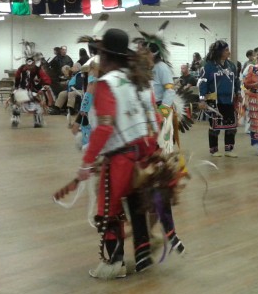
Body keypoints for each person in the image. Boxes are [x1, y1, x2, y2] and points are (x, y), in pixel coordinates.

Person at [76, 28, 184, 279]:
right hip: (145, 153)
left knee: (109, 209)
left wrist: (87, 162)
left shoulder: (106, 84)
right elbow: (156, 118)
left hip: (120, 158)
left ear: (105, 57)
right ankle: (144, 257)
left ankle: (113, 263)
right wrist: (154, 151)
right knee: (137, 203)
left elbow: (104, 127)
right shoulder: (140, 80)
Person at [198, 41, 240, 157]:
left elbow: (236, 80)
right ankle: (214, 150)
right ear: (219, 51)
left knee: (231, 125)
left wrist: (239, 93)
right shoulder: (208, 66)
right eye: (226, 50)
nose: (229, 52)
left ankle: (229, 149)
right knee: (214, 126)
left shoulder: (231, 66)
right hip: (214, 100)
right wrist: (202, 99)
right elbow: (203, 83)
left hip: (229, 100)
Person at [12, 57, 52, 128]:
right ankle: (15, 120)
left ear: (34, 63)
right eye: (28, 65)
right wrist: (16, 88)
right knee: (16, 105)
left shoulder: (38, 69)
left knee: (37, 107)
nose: (29, 67)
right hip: (23, 90)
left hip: (34, 91)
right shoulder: (22, 68)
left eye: (31, 65)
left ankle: (38, 122)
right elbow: (17, 77)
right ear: (26, 63)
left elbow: (46, 81)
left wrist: (42, 90)